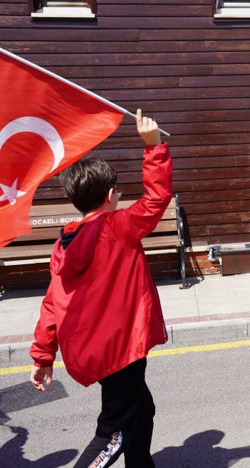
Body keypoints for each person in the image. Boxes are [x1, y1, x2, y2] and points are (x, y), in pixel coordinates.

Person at [29, 110, 170, 466]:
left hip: (101, 350)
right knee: (113, 432)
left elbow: (52, 303)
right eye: (118, 189)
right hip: (121, 348)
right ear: (110, 194)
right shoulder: (116, 227)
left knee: (143, 409)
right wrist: (153, 147)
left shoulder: (66, 242)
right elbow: (156, 199)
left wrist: (43, 355)